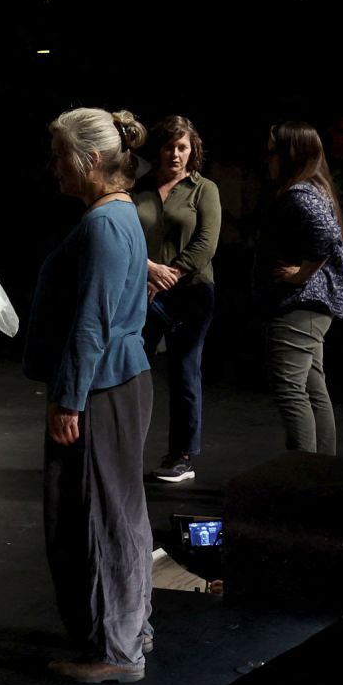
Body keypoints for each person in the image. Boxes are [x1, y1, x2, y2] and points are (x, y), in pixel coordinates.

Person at [24, 108, 154, 684]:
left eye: (60, 156)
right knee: (115, 511)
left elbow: (92, 323)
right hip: (117, 380)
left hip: (100, 388)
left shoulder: (104, 224)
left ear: (92, 160)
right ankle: (127, 631)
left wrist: (69, 400)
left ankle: (117, 651)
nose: (54, 168)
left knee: (100, 516)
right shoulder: (118, 214)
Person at [134, 117, 222, 483]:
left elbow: (207, 242)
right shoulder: (139, 188)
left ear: (192, 150)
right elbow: (126, 235)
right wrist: (149, 269)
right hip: (146, 289)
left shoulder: (204, 189)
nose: (175, 153)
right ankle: (124, 448)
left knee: (184, 372)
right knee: (133, 371)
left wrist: (169, 274)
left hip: (191, 293)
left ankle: (181, 456)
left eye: (182, 147)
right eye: (169, 146)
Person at [255, 121, 343, 454]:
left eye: (273, 153)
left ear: (290, 155)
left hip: (299, 305)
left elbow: (327, 237)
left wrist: (301, 275)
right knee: (312, 386)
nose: (268, 160)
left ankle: (301, 474)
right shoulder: (315, 189)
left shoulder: (300, 194)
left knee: (290, 390)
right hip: (311, 306)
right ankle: (321, 472)